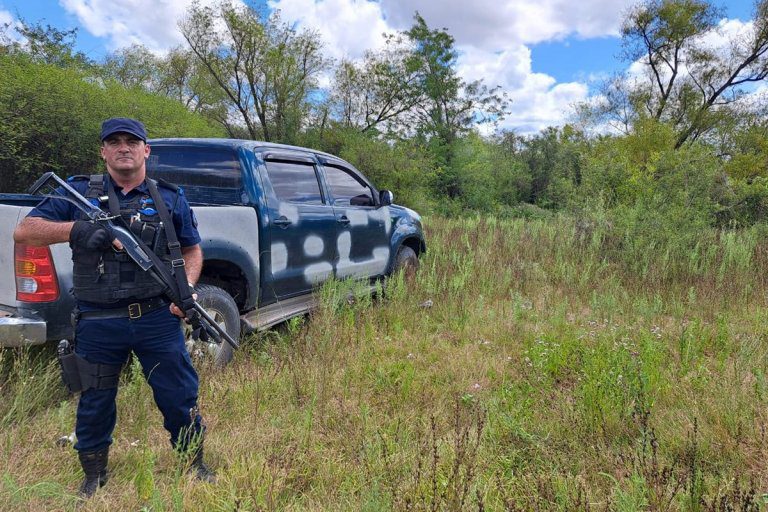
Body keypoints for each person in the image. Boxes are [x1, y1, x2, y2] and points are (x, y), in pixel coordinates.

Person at [13, 117, 215, 498]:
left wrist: (186, 288)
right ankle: (93, 475)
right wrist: (75, 230)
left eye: (132, 141)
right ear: (104, 151)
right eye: (115, 141)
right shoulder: (76, 193)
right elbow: (25, 230)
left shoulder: (169, 197)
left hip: (157, 316)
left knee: (178, 393)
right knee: (95, 398)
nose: (124, 147)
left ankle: (193, 462)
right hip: (98, 320)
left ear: (146, 150)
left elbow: (191, 249)